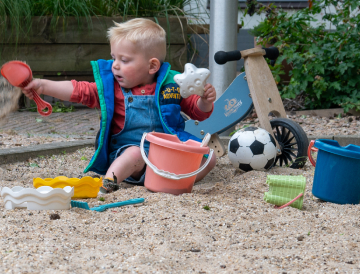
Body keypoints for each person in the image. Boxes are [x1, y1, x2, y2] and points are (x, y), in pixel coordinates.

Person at [23, 18, 217, 192]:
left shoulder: (172, 83)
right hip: (131, 156)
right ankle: (109, 182)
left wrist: (205, 102)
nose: (115, 65)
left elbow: (196, 112)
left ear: (152, 66)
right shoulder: (112, 88)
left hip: (168, 155)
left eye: (124, 60)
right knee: (134, 153)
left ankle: (178, 182)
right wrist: (43, 85)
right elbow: (79, 91)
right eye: (114, 57)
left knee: (208, 156)